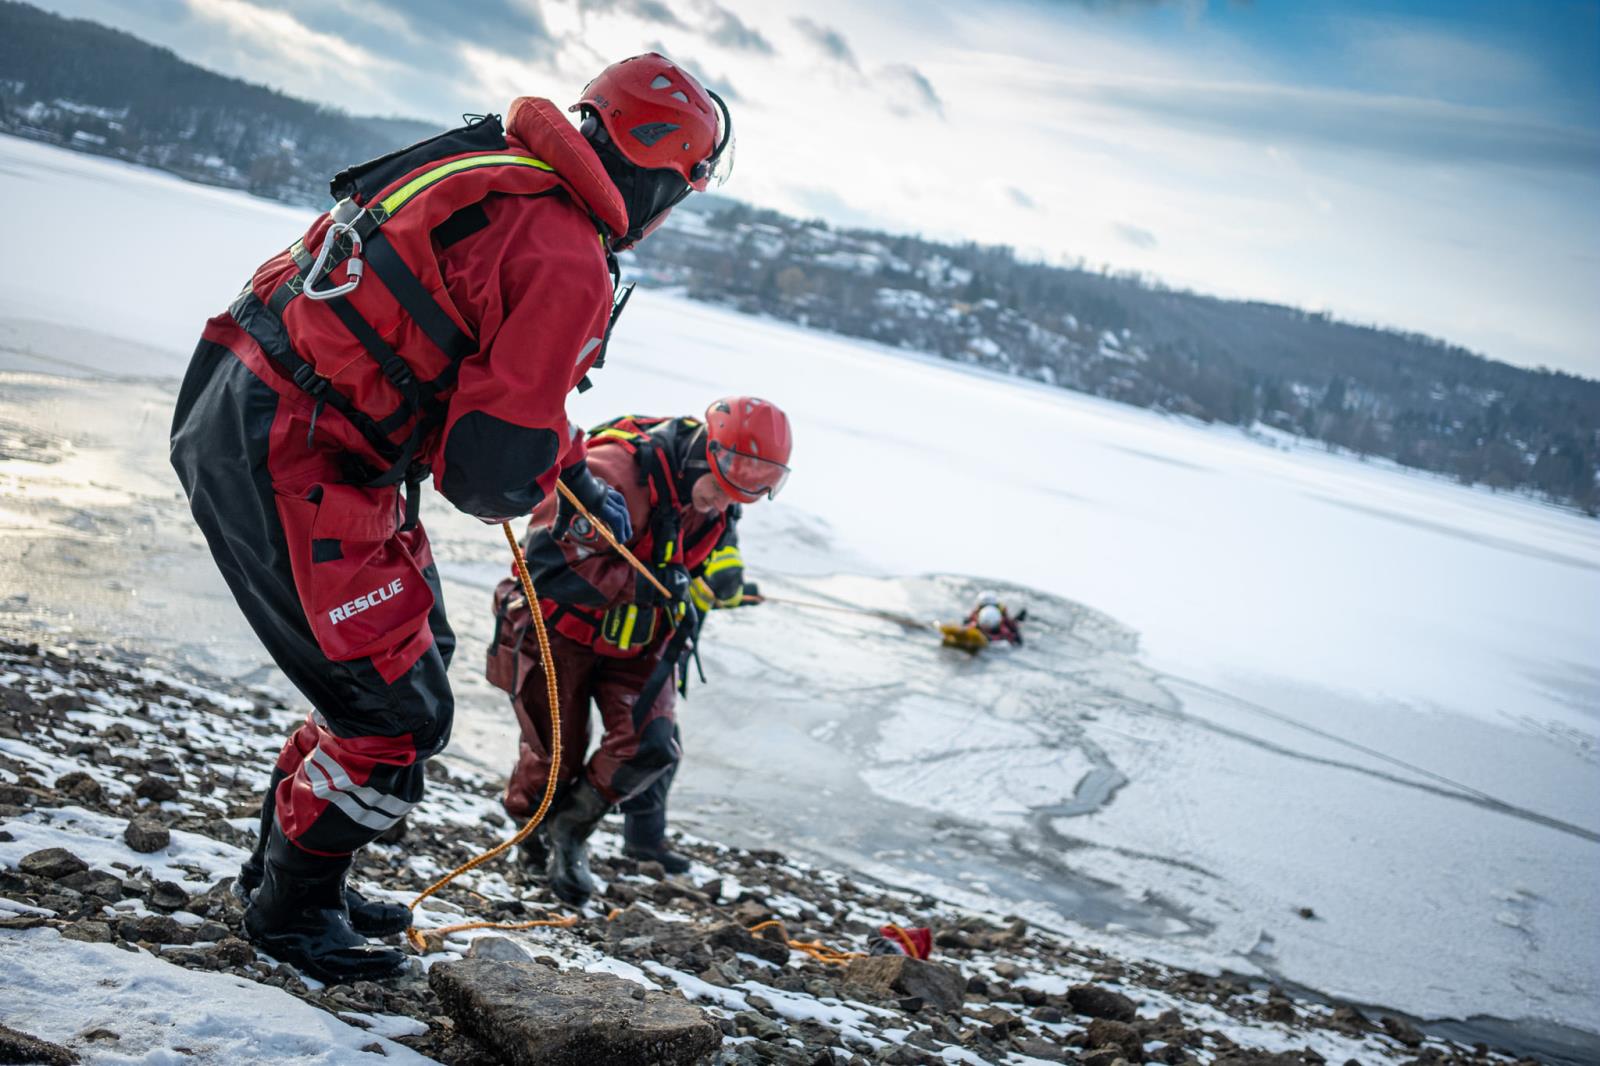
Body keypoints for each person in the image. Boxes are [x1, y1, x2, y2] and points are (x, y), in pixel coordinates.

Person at [168, 54, 732, 982]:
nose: (674, 209)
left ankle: (292, 879)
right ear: (663, 170)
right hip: (290, 447)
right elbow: (483, 473)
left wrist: (566, 466)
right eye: (684, 185)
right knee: (394, 711)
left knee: (410, 655)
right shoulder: (566, 253)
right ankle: (289, 917)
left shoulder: (496, 164)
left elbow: (456, 352)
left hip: (270, 405)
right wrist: (538, 482)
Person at [486, 398, 791, 906]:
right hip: (561, 629)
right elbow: (542, 563)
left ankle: (571, 831)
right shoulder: (615, 473)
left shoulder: (723, 489)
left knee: (650, 744)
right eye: (716, 491)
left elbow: (716, 533)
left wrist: (722, 573)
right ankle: (531, 837)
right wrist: (638, 586)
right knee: (554, 755)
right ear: (703, 457)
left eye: (734, 499)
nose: (719, 504)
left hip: (639, 640)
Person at [939, 591, 1025, 653]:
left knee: (1015, 625)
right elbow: (969, 623)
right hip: (981, 627)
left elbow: (1011, 636)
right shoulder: (977, 615)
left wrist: (989, 639)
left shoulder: (1002, 623)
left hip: (995, 634)